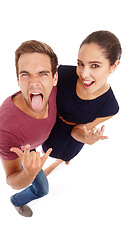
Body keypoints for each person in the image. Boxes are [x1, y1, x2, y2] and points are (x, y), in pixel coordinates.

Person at [0, 40, 58, 217]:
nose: (35, 82)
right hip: (23, 149)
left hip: (35, 140)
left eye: (43, 74)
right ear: (18, 80)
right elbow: (12, 180)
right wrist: (29, 173)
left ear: (55, 77)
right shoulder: (4, 128)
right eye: (26, 75)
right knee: (43, 189)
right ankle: (17, 201)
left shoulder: (60, 85)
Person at [42, 30, 122, 170]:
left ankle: (59, 162)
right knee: (44, 149)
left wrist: (86, 139)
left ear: (113, 66)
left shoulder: (110, 106)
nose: (84, 74)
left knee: (62, 156)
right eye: (80, 63)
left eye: (95, 65)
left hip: (69, 139)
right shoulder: (63, 73)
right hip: (49, 124)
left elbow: (77, 130)